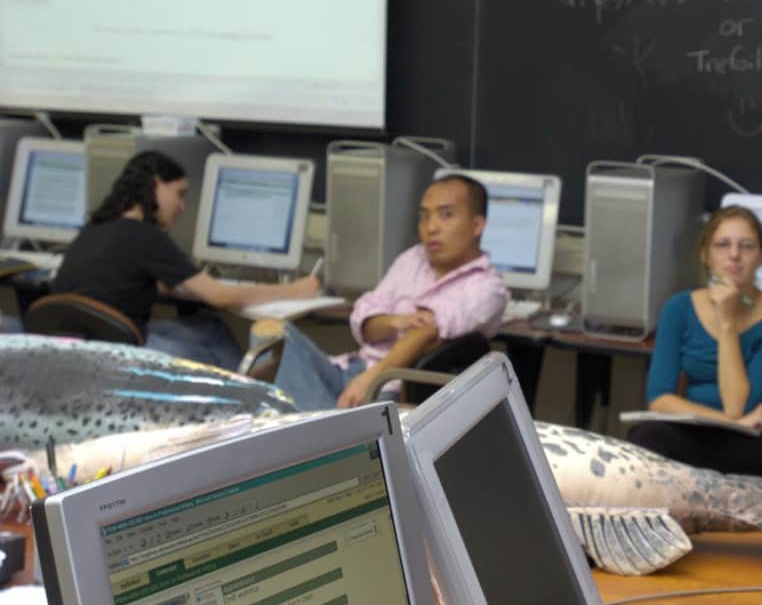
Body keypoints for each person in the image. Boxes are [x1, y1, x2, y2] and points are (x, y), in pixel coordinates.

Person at [260, 173, 509, 411]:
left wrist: (371, 378)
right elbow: (365, 317)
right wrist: (394, 322)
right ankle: (322, 429)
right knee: (271, 334)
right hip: (352, 369)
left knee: (283, 409)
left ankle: (319, 433)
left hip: (389, 387)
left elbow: (428, 332)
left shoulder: (487, 288)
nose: (431, 227)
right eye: (424, 217)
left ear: (477, 225)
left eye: (446, 215)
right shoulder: (412, 259)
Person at [52, 151, 320, 370]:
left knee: (207, 327)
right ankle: (245, 398)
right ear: (155, 184)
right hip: (119, 353)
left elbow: (114, 282)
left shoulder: (96, 228)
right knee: (212, 342)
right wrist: (295, 290)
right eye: (179, 193)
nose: (182, 206)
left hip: (78, 351)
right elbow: (220, 297)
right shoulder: (146, 236)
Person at [627, 206, 762, 482]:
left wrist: (727, 323)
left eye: (747, 246)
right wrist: (731, 422)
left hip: (755, 444)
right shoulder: (679, 308)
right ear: (704, 255)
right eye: (722, 245)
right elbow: (660, 399)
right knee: (646, 436)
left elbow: (737, 405)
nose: (734, 254)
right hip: (695, 432)